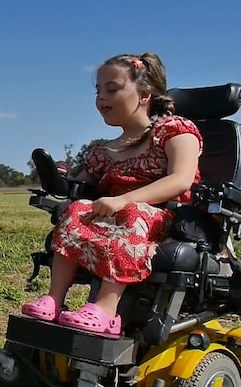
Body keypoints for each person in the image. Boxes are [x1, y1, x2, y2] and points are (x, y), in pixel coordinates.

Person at [21, 52, 203, 337]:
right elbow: (79, 186)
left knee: (130, 212)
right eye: (98, 91)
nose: (101, 98)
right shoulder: (107, 151)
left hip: (166, 219)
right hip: (115, 217)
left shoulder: (174, 130)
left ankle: (107, 310)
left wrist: (124, 200)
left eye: (112, 89)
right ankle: (54, 299)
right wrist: (59, 178)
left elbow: (180, 180)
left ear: (144, 94)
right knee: (77, 209)